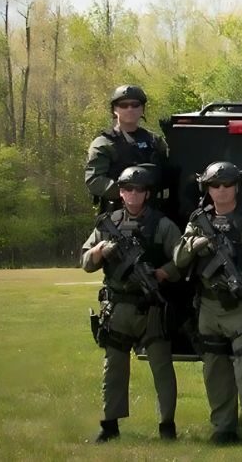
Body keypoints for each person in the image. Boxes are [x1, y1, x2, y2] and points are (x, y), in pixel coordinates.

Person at [174, 161, 242, 446]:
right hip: (208, 306)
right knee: (215, 371)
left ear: (237, 187)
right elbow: (178, 260)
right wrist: (192, 245)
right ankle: (223, 427)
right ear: (206, 188)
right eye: (214, 185)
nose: (221, 191)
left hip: (240, 305)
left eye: (227, 185)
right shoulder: (198, 221)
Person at [81, 166, 182, 443]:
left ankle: (167, 426)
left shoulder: (162, 224)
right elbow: (85, 262)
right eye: (127, 189)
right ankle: (110, 425)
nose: (133, 194)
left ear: (147, 193)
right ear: (121, 192)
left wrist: (163, 273)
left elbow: (182, 258)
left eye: (138, 190)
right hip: (118, 307)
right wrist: (101, 250)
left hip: (151, 306)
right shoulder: (107, 223)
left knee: (161, 367)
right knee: (114, 367)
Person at [85, 85, 168, 213]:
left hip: (154, 214)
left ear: (142, 109)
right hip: (116, 216)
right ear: (114, 110)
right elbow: (94, 181)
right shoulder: (103, 144)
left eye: (135, 105)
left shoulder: (155, 141)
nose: (130, 109)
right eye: (123, 105)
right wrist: (130, 193)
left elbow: (170, 174)